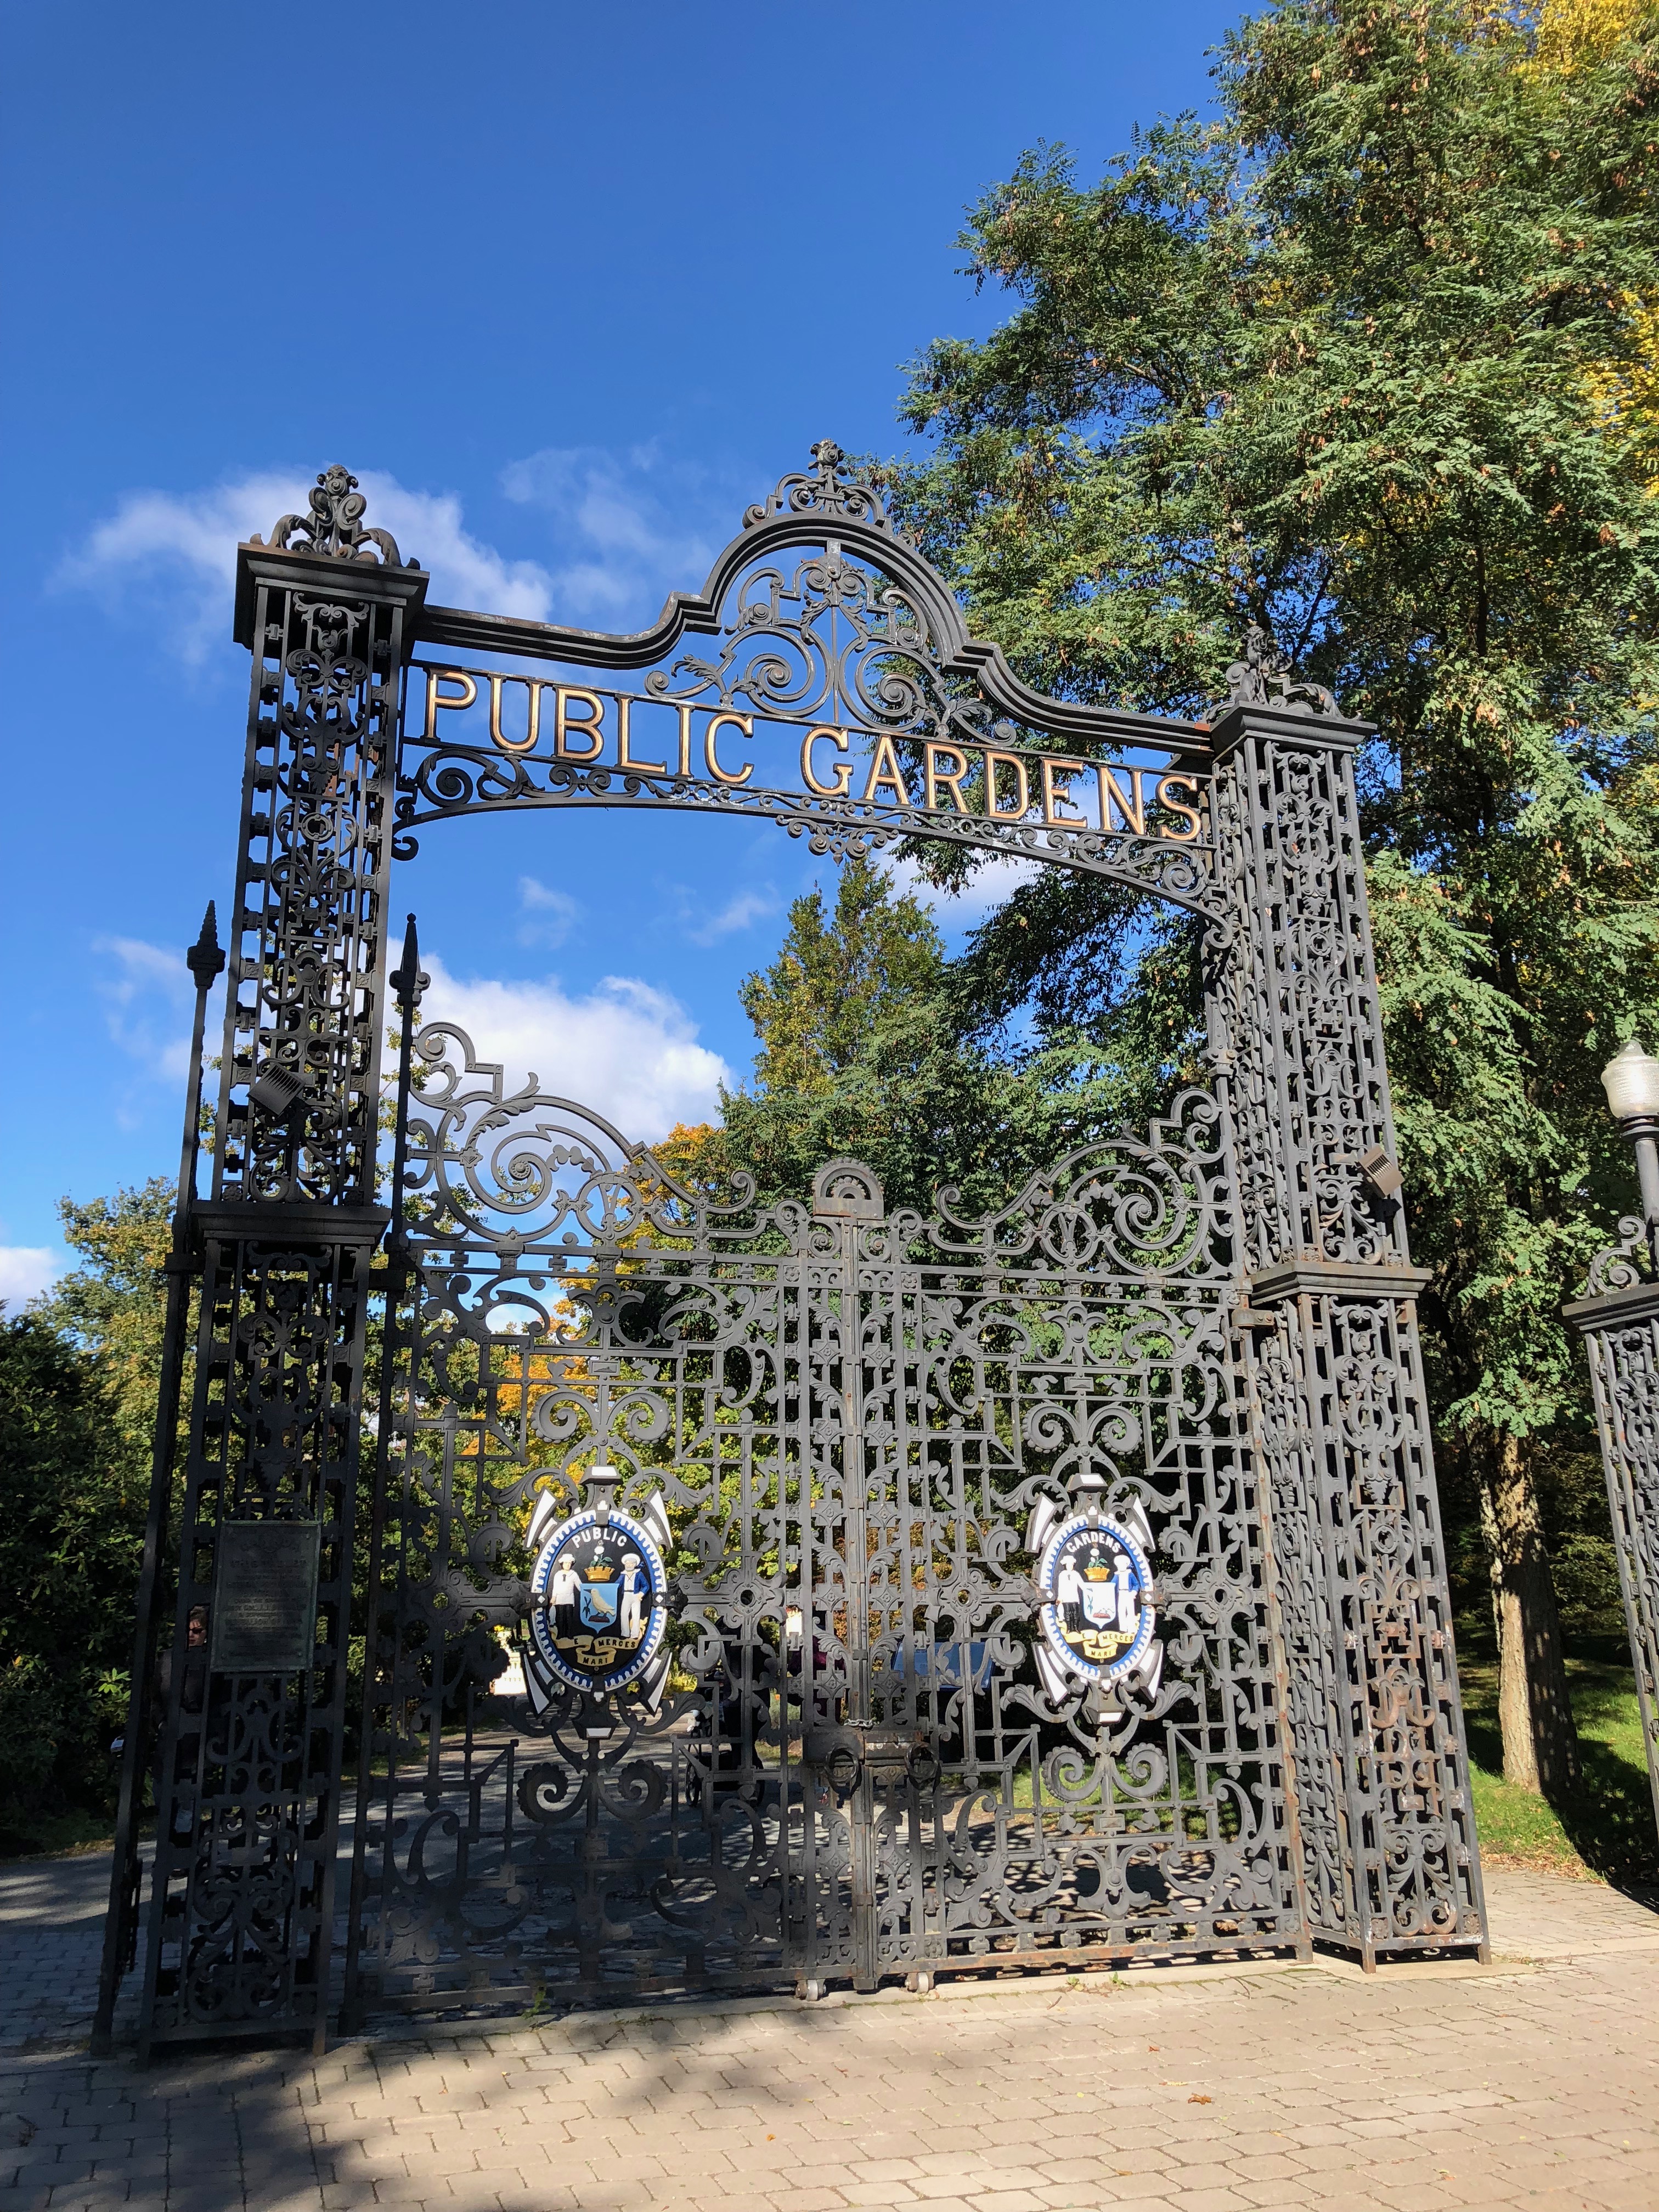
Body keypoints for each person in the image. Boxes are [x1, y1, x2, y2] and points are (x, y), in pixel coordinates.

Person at [549, 1554, 580, 1645]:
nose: (568, 1565)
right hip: (559, 1599)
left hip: (569, 1599)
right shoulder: (558, 1575)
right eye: (566, 1563)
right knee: (560, 1617)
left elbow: (579, 1585)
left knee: (569, 1617)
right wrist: (554, 1597)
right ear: (562, 1564)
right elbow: (555, 1587)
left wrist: (586, 1591)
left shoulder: (573, 1574)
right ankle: (560, 1634)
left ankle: (569, 1634)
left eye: (569, 1563)